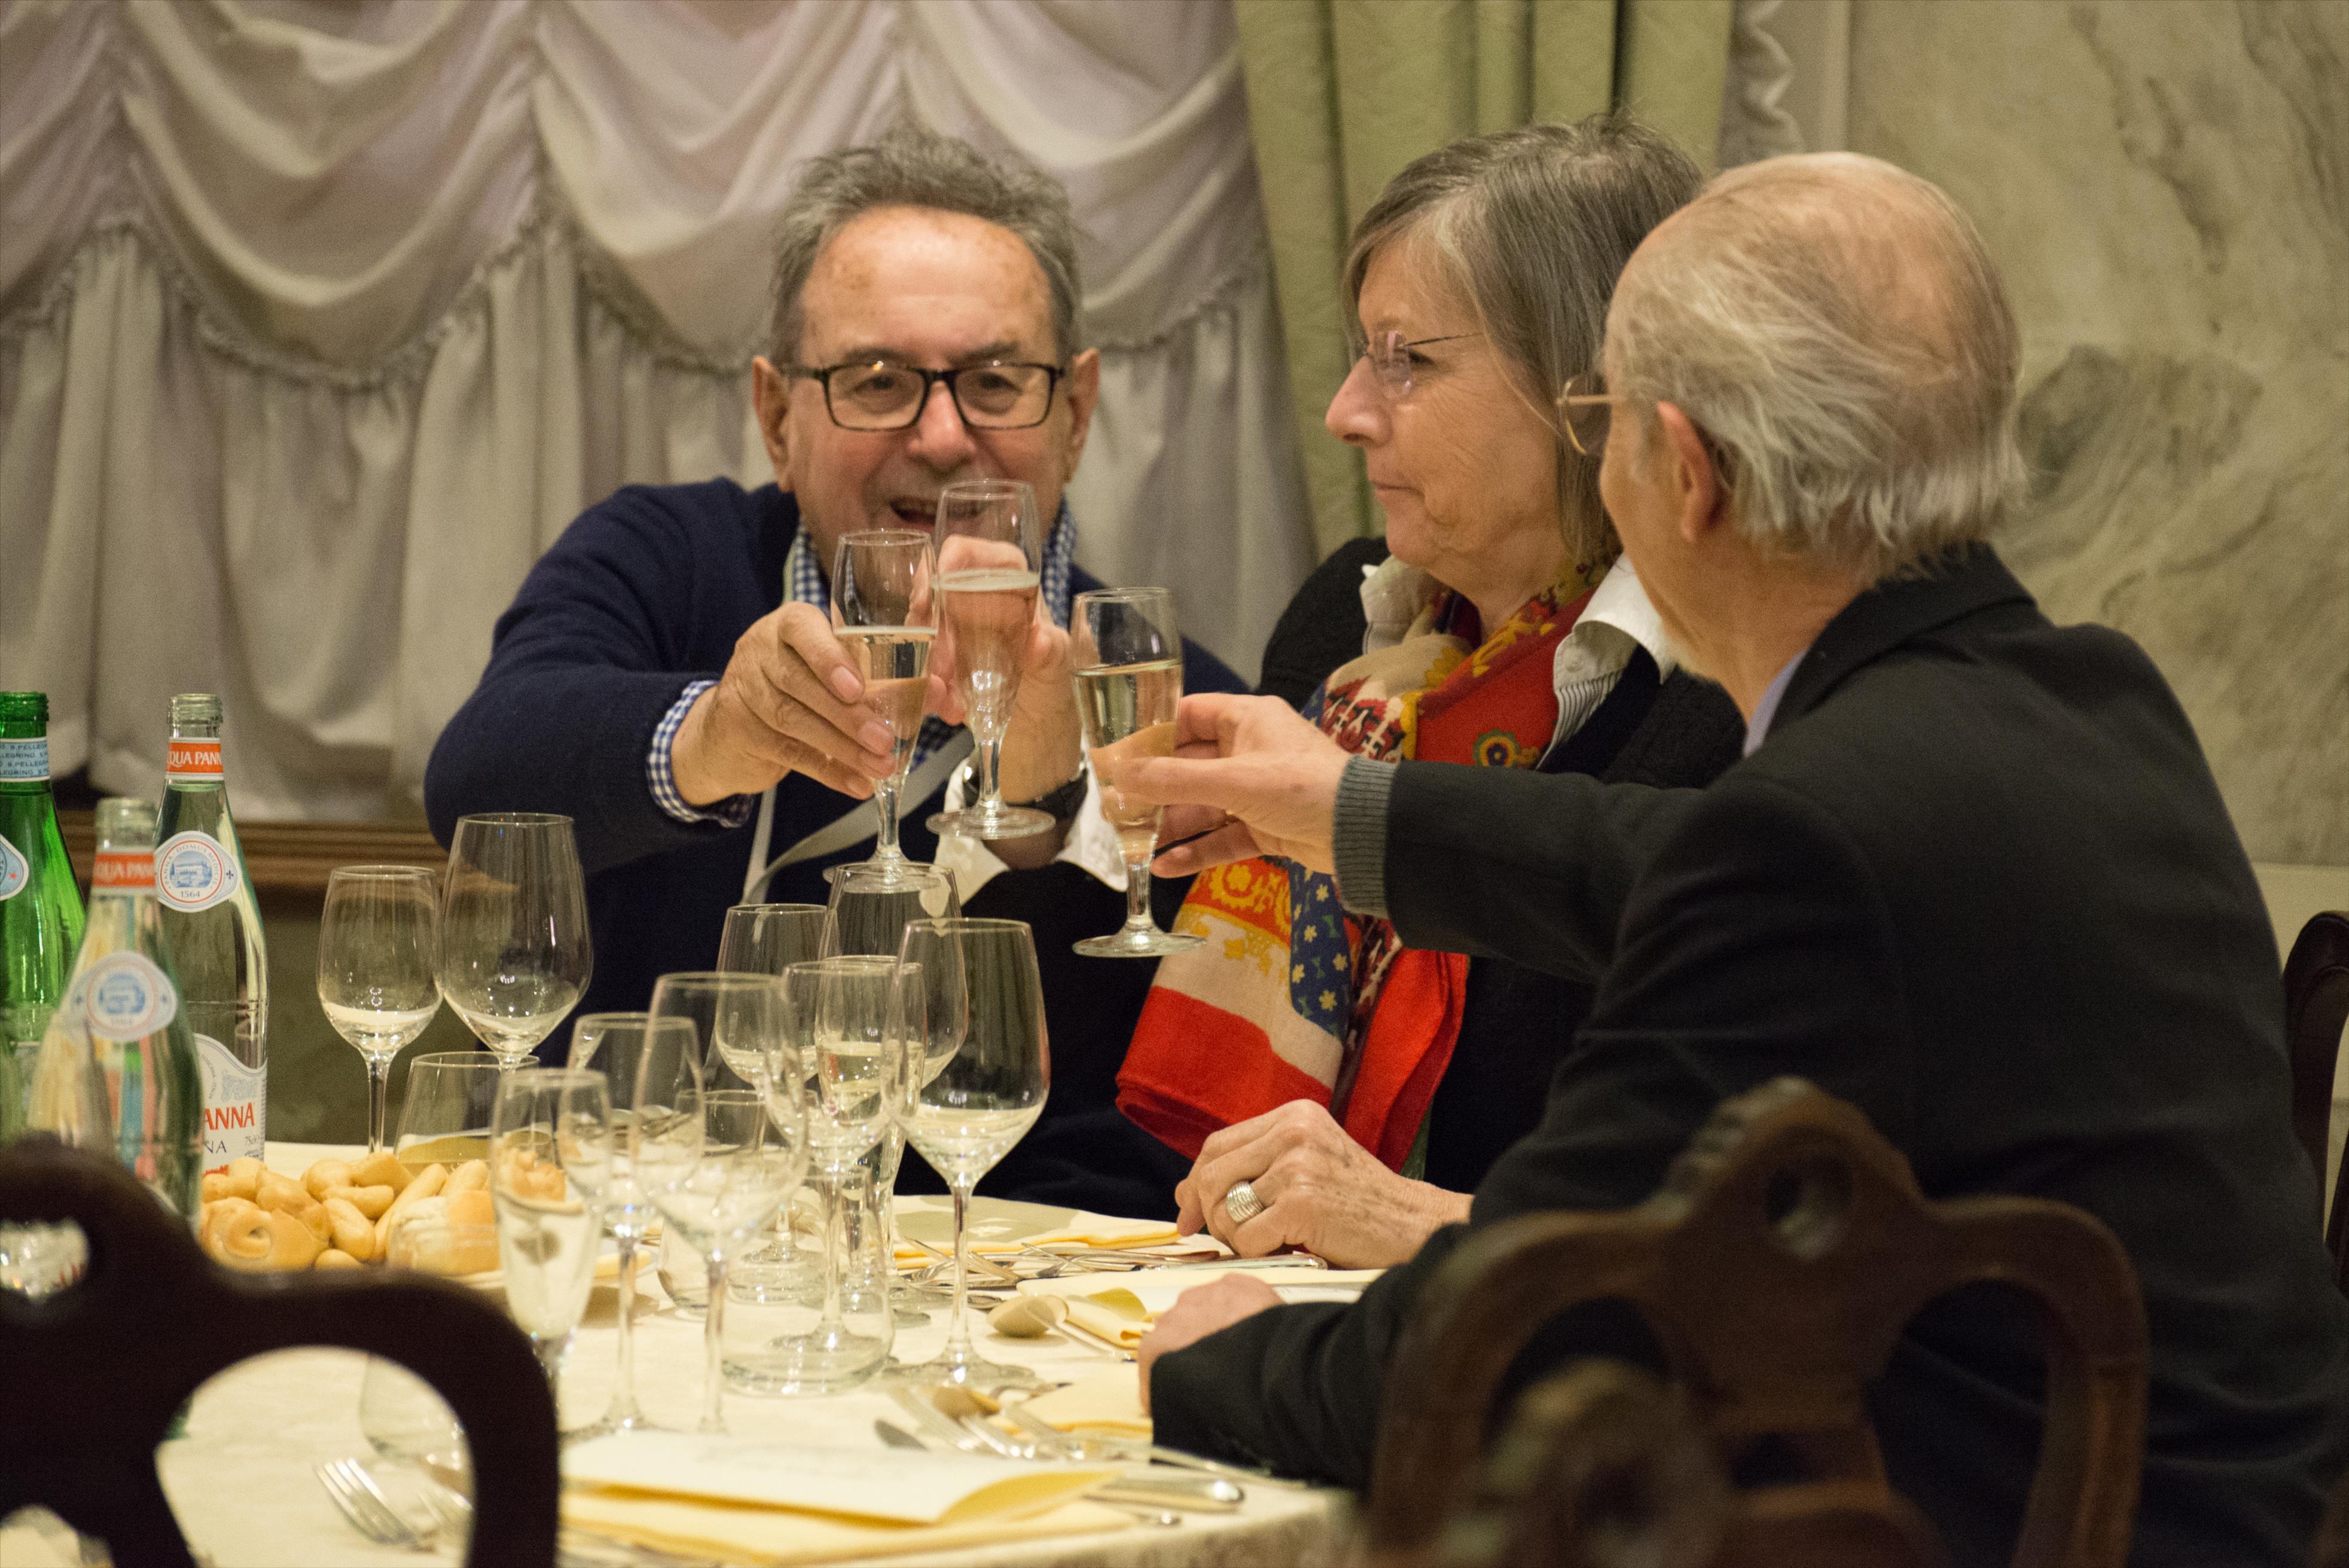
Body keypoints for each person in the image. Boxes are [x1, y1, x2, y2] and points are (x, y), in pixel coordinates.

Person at [1117, 152, 2349, 1564]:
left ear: (1686, 476)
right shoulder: (2085, 700)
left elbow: (1533, 1323)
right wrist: (1345, 812)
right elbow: (1654, 856)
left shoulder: (1819, 830)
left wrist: (1212, 1365)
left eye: (1604, 429)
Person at [423, 123, 1243, 1192]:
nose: (942, 437)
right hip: (650, 1232)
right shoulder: (668, 562)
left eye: (996, 383)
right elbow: (477, 780)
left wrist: (1056, 811)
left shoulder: (1177, 699)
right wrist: (717, 735)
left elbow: (1162, 1155)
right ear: (777, 416)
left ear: (1076, 414)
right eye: (878, 381)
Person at [1110, 118, 1741, 1270]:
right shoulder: (1346, 621)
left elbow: (1721, 1211)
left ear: (1586, 392)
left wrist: (1413, 1220)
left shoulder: (1720, 691)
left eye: (1408, 361)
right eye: (1363, 355)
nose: (1347, 411)